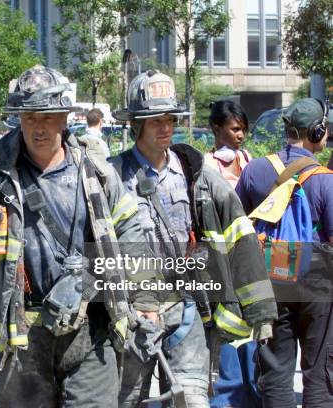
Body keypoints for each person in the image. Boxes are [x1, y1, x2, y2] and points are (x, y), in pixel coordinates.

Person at [0, 65, 159, 407]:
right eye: (29, 118)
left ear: (65, 117)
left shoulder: (97, 175)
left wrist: (145, 299)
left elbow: (132, 233)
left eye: (47, 117)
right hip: (21, 336)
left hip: (92, 329)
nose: (38, 127)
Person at [109, 70, 277, 407]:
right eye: (156, 119)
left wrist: (260, 310)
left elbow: (238, 235)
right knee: (127, 400)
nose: (166, 126)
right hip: (132, 314)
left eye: (170, 118)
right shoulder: (112, 177)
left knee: (193, 401)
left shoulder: (196, 174)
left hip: (188, 307)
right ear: (135, 124)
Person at [236, 97, 333, 407]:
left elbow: (238, 225)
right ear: (318, 132)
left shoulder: (256, 170)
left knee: (276, 372)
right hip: (318, 285)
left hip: (271, 278)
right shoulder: (326, 182)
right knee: (319, 374)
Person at [204, 100, 252, 188]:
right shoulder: (207, 164)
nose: (241, 135)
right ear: (216, 129)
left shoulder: (245, 157)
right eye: (235, 129)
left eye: (243, 130)